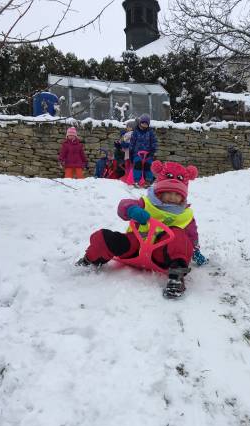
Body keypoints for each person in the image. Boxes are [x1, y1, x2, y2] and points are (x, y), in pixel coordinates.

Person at [76, 160, 205, 297]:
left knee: (178, 236)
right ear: (160, 192)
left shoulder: (185, 215)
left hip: (162, 256)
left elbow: (192, 236)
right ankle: (91, 258)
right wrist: (131, 209)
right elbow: (123, 206)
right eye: (169, 193)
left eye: (177, 195)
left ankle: (176, 277)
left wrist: (195, 250)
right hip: (135, 246)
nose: (173, 197)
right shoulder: (146, 203)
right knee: (105, 237)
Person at [128, 114, 157, 186]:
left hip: (148, 154)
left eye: (146, 124)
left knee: (148, 164)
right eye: (143, 123)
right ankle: (136, 181)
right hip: (137, 153)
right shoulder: (135, 132)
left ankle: (148, 180)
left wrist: (152, 152)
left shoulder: (150, 132)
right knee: (138, 163)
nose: (144, 125)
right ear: (140, 123)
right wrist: (131, 152)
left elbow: (153, 142)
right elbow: (132, 142)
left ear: (148, 124)